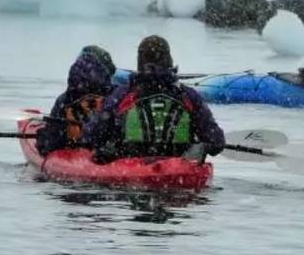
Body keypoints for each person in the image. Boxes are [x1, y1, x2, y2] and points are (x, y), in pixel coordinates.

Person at [83, 36, 225, 162]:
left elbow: (92, 137)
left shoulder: (121, 95)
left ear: (139, 61)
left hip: (131, 174)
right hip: (179, 174)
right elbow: (216, 141)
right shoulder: (189, 96)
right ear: (169, 60)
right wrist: (202, 147)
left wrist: (106, 143)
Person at [35, 46, 118, 155]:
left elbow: (49, 144)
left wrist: (42, 138)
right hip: (107, 154)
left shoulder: (66, 100)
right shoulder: (115, 97)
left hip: (79, 153)